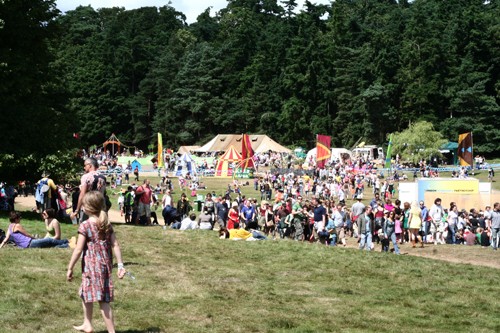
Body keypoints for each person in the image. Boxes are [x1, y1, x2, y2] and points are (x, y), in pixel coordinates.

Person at [67, 191, 126, 333]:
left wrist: (70, 267)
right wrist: (120, 265)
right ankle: (87, 324)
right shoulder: (106, 224)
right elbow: (115, 245)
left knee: (102, 300)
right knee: (85, 293)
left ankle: (111, 331)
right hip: (105, 267)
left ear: (87, 208)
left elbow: (78, 249)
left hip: (91, 268)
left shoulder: (85, 225)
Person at [0, 211, 70, 249]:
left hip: (24, 246)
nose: (20, 219)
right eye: (19, 218)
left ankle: (66, 245)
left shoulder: (10, 226)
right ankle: (67, 241)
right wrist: (35, 239)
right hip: (30, 243)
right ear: (16, 219)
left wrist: (1, 246)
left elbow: (6, 238)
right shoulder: (17, 225)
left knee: (49, 245)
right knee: (49, 240)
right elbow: (27, 235)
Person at [71, 157, 106, 222]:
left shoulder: (86, 177)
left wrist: (77, 210)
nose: (84, 167)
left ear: (90, 165)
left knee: (85, 227)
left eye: (85, 165)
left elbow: (82, 194)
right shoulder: (103, 177)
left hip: (87, 207)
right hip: (99, 208)